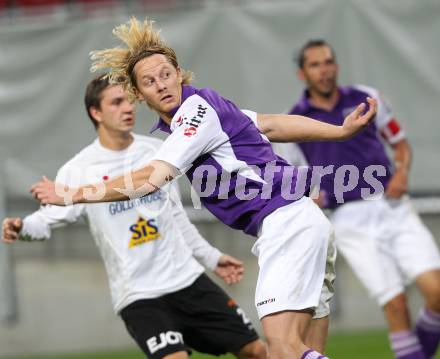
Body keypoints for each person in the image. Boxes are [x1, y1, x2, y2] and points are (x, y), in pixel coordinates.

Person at [30, 18, 378, 359]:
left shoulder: (194, 113)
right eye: (150, 81)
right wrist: (338, 130)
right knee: (304, 350)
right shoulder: (210, 110)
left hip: (287, 224)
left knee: (283, 350)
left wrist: (72, 193)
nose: (162, 84)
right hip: (305, 223)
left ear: (179, 73)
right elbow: (270, 124)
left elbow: (151, 177)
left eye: (166, 74)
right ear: (139, 94)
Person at [2, 74, 268, 359]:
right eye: (116, 102)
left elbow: (176, 218)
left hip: (188, 281)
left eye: (130, 100)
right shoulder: (79, 169)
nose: (128, 108)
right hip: (140, 296)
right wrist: (22, 227)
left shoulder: (155, 152)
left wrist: (212, 257)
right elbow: (47, 220)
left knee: (257, 351)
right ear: (96, 112)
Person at [279, 39, 440, 359]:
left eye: (328, 62)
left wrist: (402, 173)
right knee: (395, 305)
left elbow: (401, 144)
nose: (324, 70)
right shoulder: (294, 120)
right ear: (302, 74)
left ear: (336, 66)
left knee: (436, 292)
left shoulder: (367, 99)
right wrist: (309, 197)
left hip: (393, 207)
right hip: (348, 219)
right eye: (315, 64)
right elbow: (292, 180)